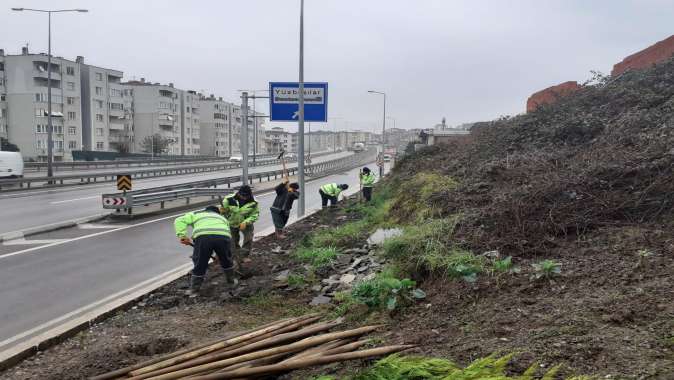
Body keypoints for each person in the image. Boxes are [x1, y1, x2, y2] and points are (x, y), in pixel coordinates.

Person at [174, 206, 234, 296]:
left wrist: (182, 235)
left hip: (203, 238)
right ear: (218, 213)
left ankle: (194, 290)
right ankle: (231, 283)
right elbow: (227, 234)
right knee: (226, 260)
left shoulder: (197, 214)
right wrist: (220, 254)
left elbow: (179, 220)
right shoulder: (223, 218)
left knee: (200, 262)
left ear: (205, 211)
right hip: (223, 237)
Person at [221, 185, 259, 267]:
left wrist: (246, 222)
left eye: (246, 196)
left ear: (249, 195)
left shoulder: (253, 202)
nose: (244, 197)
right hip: (232, 223)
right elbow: (224, 210)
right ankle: (236, 256)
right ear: (238, 193)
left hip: (246, 223)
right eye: (242, 195)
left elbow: (255, 215)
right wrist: (223, 210)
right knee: (233, 240)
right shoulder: (229, 199)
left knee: (248, 238)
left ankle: (244, 256)